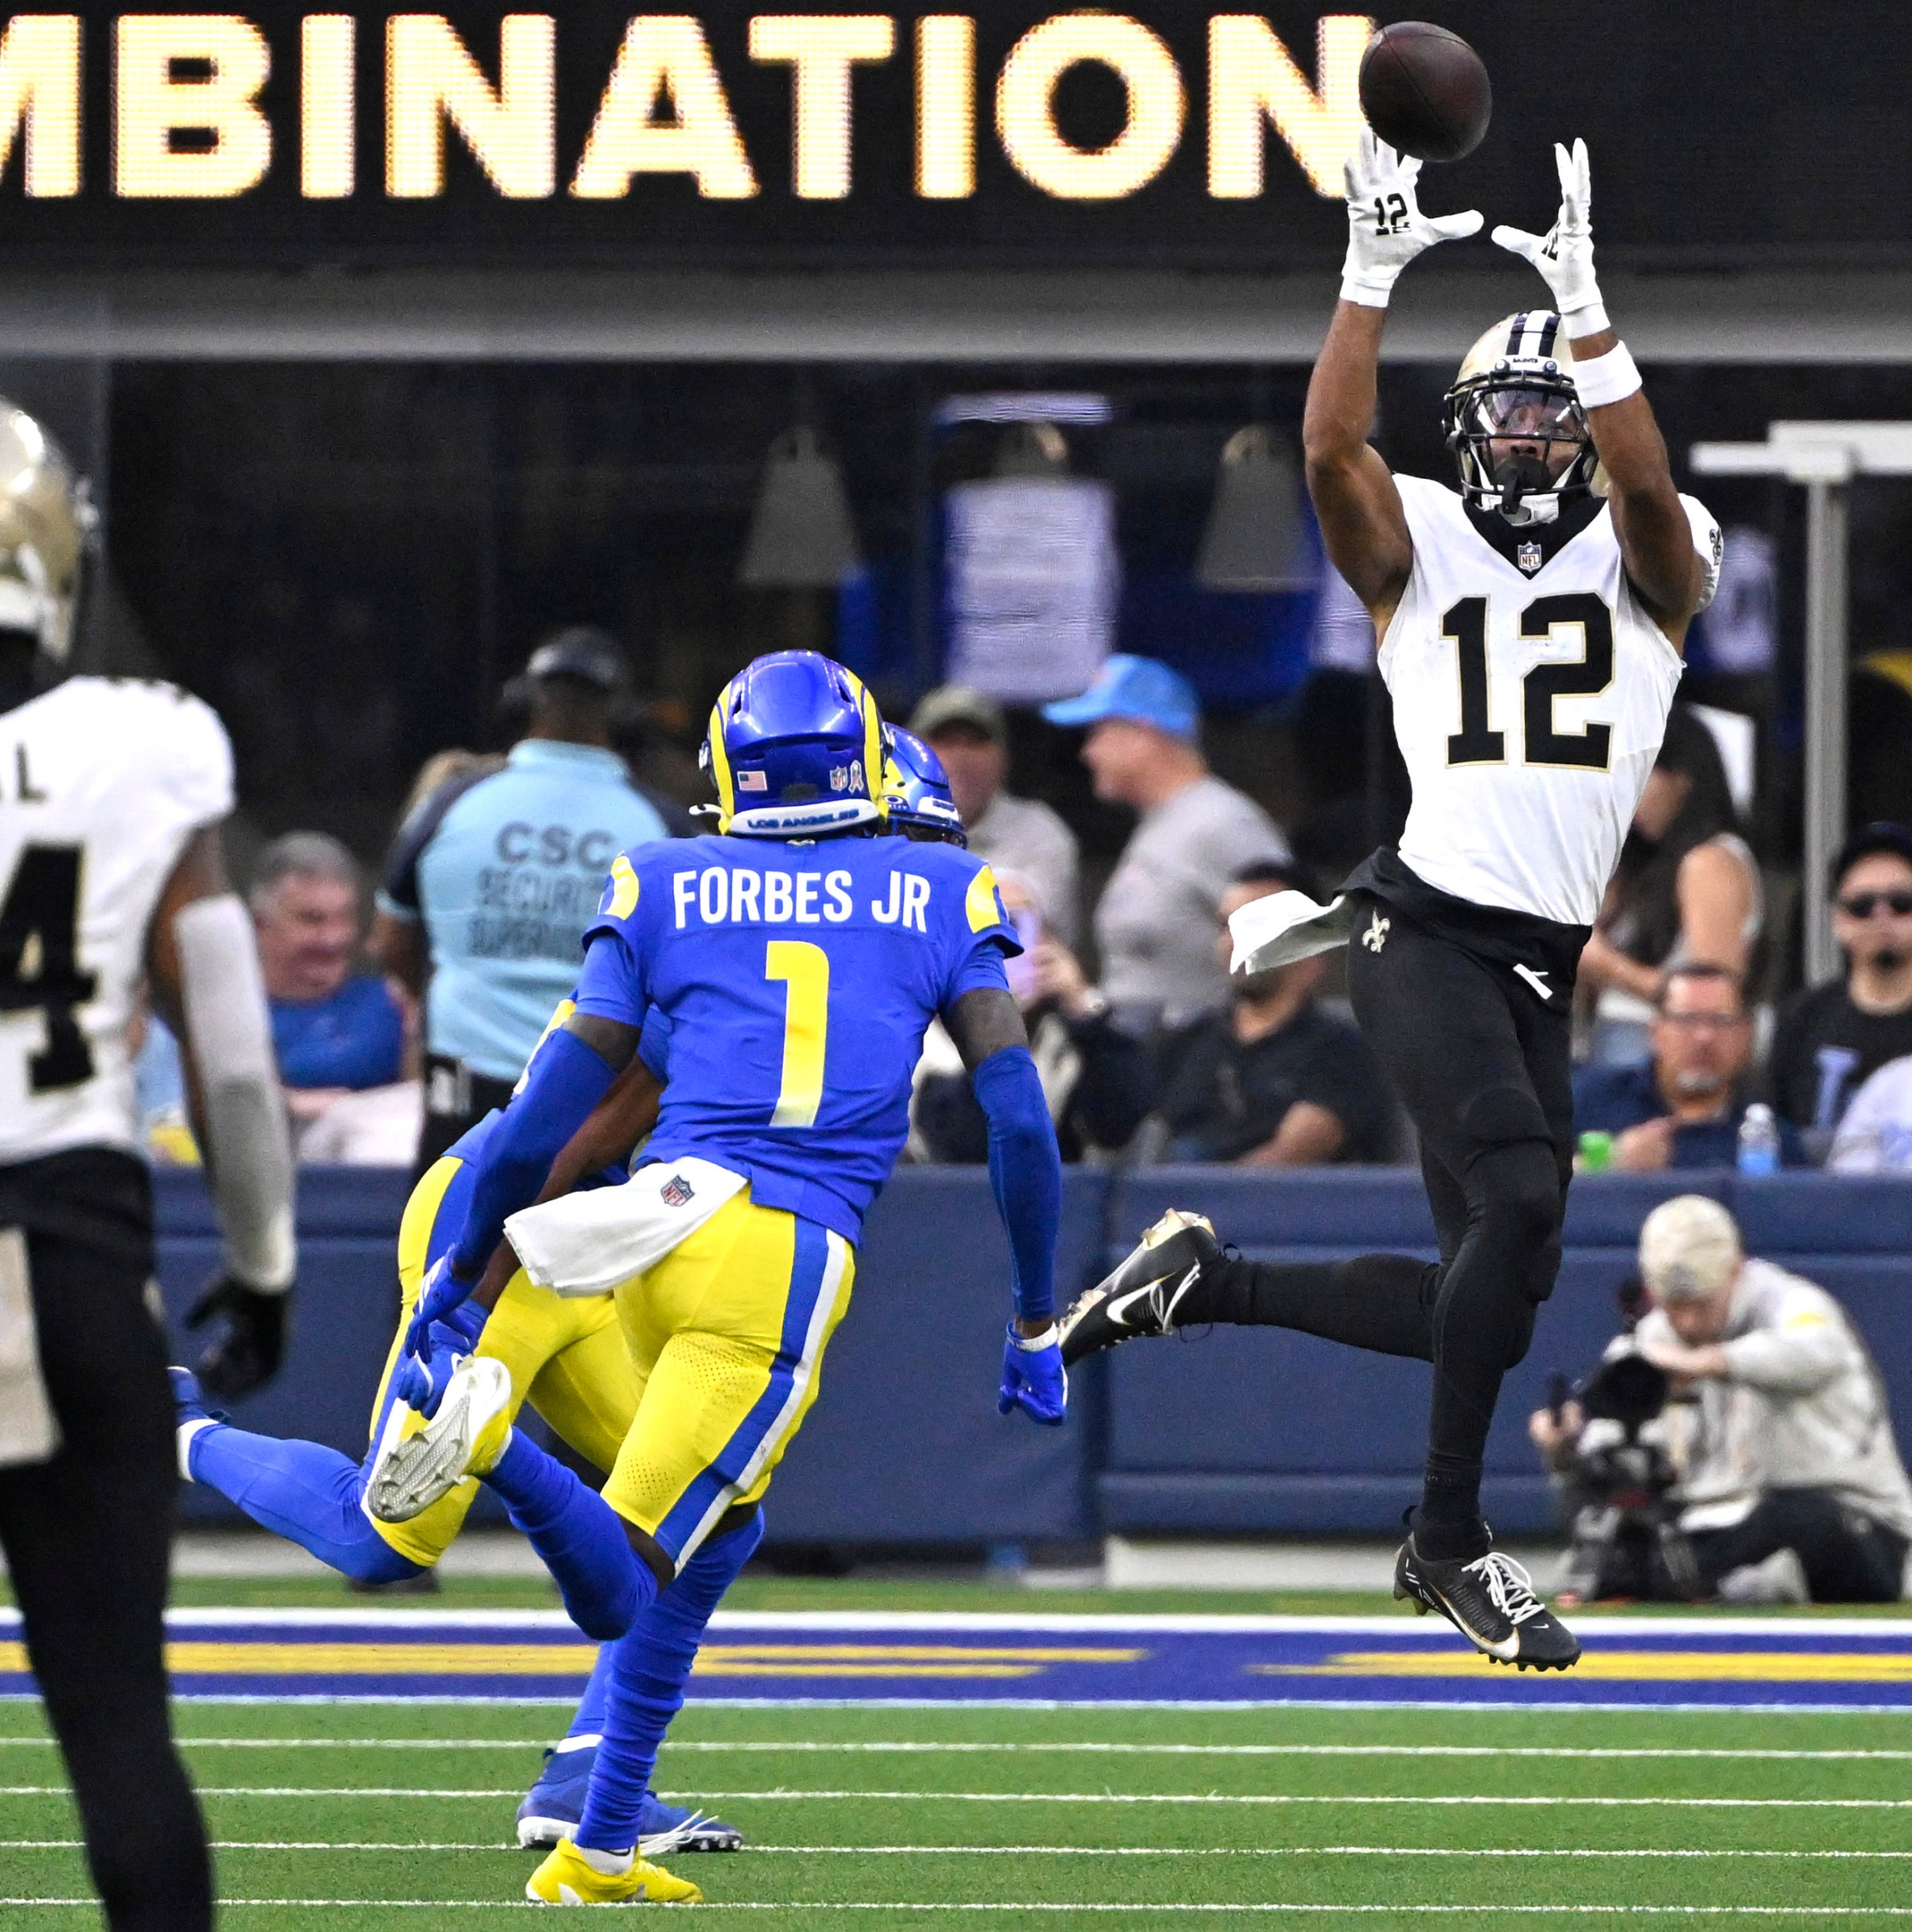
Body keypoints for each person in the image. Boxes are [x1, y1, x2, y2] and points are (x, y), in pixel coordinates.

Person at [1059, 134, 1723, 1670]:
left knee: (1482, 1301)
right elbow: (1328, 456)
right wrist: (1372, 276)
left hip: (1537, 965)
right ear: (1469, 422)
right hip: (1423, 928)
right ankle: (1448, 1540)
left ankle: (1204, 1283)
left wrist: (1587, 306)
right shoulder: (1414, 542)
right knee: (1527, 1206)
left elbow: (1644, 486)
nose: (1540, 433)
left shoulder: (1659, 553)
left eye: (1558, 410)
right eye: (1514, 404)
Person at [368, 649, 1067, 1907]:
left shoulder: (672, 881)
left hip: (624, 1226)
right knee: (632, 1570)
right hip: (770, 1250)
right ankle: (497, 1453)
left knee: (704, 1542)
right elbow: (1019, 1117)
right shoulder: (940, 890)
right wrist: (1034, 1316)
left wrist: (462, 1272)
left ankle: (599, 1837)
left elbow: (546, 1116)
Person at [0, 400, 296, 1930]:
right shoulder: (141, 746)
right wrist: (264, 1267)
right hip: (57, 1247)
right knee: (118, 1728)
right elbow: (233, 1053)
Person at [170, 1072, 742, 1856]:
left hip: (600, 1242)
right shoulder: (691, 963)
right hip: (508, 1226)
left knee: (708, 1508)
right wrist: (470, 1291)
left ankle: (588, 1771)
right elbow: (585, 1110)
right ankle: (177, 1426)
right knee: (380, 1538)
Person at [372, 629, 675, 1171]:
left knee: (438, 1242)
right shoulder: (657, 827)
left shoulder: (452, 803)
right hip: (594, 1091)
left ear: (521, 702)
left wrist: (445, 991)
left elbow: (391, 938)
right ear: (626, 718)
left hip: (463, 1082)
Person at [1537, 1197, 1910, 1603]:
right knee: (1591, 1491)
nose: (1688, 1322)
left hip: (1856, 1529)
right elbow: (1613, 1451)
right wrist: (1566, 1449)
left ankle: (1669, 1580)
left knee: (1796, 1513)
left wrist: (1705, 1362)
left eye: (1701, 1304)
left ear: (1736, 1270)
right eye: (1675, 1306)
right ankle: (1663, 1575)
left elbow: (1814, 1351)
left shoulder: (1795, 1304)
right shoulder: (1650, 1339)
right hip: (1715, 1527)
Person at [1041, 654, 1288, 1031]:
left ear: (1142, 735)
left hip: (1193, 1069)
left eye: (1099, 734)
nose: (1087, 753)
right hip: (1139, 1063)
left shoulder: (1224, 823)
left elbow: (1288, 954)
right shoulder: (1160, 823)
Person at [1149, 862, 1389, 1166]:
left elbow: (1289, 1158)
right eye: (1225, 925)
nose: (1232, 941)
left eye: (1253, 925)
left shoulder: (1341, 1051)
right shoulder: (1185, 1043)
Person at [1577, 704, 1762, 1064]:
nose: (1628, 797)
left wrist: (1605, 964)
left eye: (1641, 779)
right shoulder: (1647, 866)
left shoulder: (1709, 862)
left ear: (1682, 779)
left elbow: (1712, 996)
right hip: (1613, 1041)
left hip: (1657, 1051)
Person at [251, 831, 411, 1135]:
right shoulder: (231, 1018)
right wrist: (286, 1106)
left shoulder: (392, 1004)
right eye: (313, 920)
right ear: (262, 924)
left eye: (343, 918)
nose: (333, 938)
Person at [1573, 964, 1804, 1170]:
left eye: (1721, 1021)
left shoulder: (1771, 1138)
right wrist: (1609, 1164)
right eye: (1687, 1020)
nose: (1704, 1037)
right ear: (1656, 1033)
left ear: (1746, 1036)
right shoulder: (1589, 1099)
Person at [1768, 821, 1912, 1142]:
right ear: (1839, 920)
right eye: (1862, 906)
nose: (1881, 916)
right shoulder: (1800, 1018)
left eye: (1902, 903)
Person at [910, 683, 1080, 945]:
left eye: (975, 743)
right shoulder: (881, 828)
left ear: (1004, 758)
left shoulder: (1040, 830)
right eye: (945, 742)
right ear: (910, 756)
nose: (961, 757)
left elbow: (1019, 921)